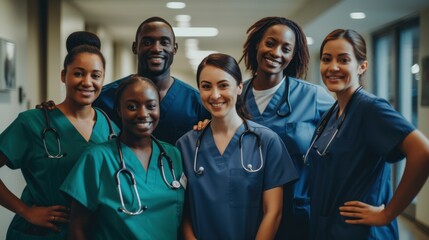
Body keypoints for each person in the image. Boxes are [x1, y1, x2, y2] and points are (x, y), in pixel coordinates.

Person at [306, 28, 429, 239]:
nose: (333, 67)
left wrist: (388, 214)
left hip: (360, 232)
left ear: (362, 66)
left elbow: (423, 151)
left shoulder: (370, 109)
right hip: (331, 228)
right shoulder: (332, 113)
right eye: (327, 59)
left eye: (344, 60)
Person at [0, 31, 117, 239]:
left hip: (91, 232)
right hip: (40, 233)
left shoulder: (111, 129)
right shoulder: (32, 122)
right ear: (64, 75)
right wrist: (26, 211)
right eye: (78, 73)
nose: (87, 82)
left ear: (103, 79)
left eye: (95, 75)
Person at [176, 53, 298, 240]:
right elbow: (183, 214)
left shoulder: (266, 141)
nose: (215, 95)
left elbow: (273, 212)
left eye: (223, 85)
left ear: (239, 87)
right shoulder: (186, 145)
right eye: (206, 86)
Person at [239, 16, 334, 239]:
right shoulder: (235, 96)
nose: (276, 53)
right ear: (257, 45)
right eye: (270, 43)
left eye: (286, 48)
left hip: (297, 213)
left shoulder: (312, 96)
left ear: (293, 56)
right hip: (245, 211)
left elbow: (351, 133)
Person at [61, 76, 185, 239]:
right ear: (119, 110)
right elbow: (77, 228)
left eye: (151, 106)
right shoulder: (97, 158)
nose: (143, 114)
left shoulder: (173, 155)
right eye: (132, 106)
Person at [93, 16, 210, 145]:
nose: (156, 49)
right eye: (147, 42)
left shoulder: (197, 104)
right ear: (135, 47)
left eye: (164, 42)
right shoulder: (105, 99)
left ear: (175, 48)